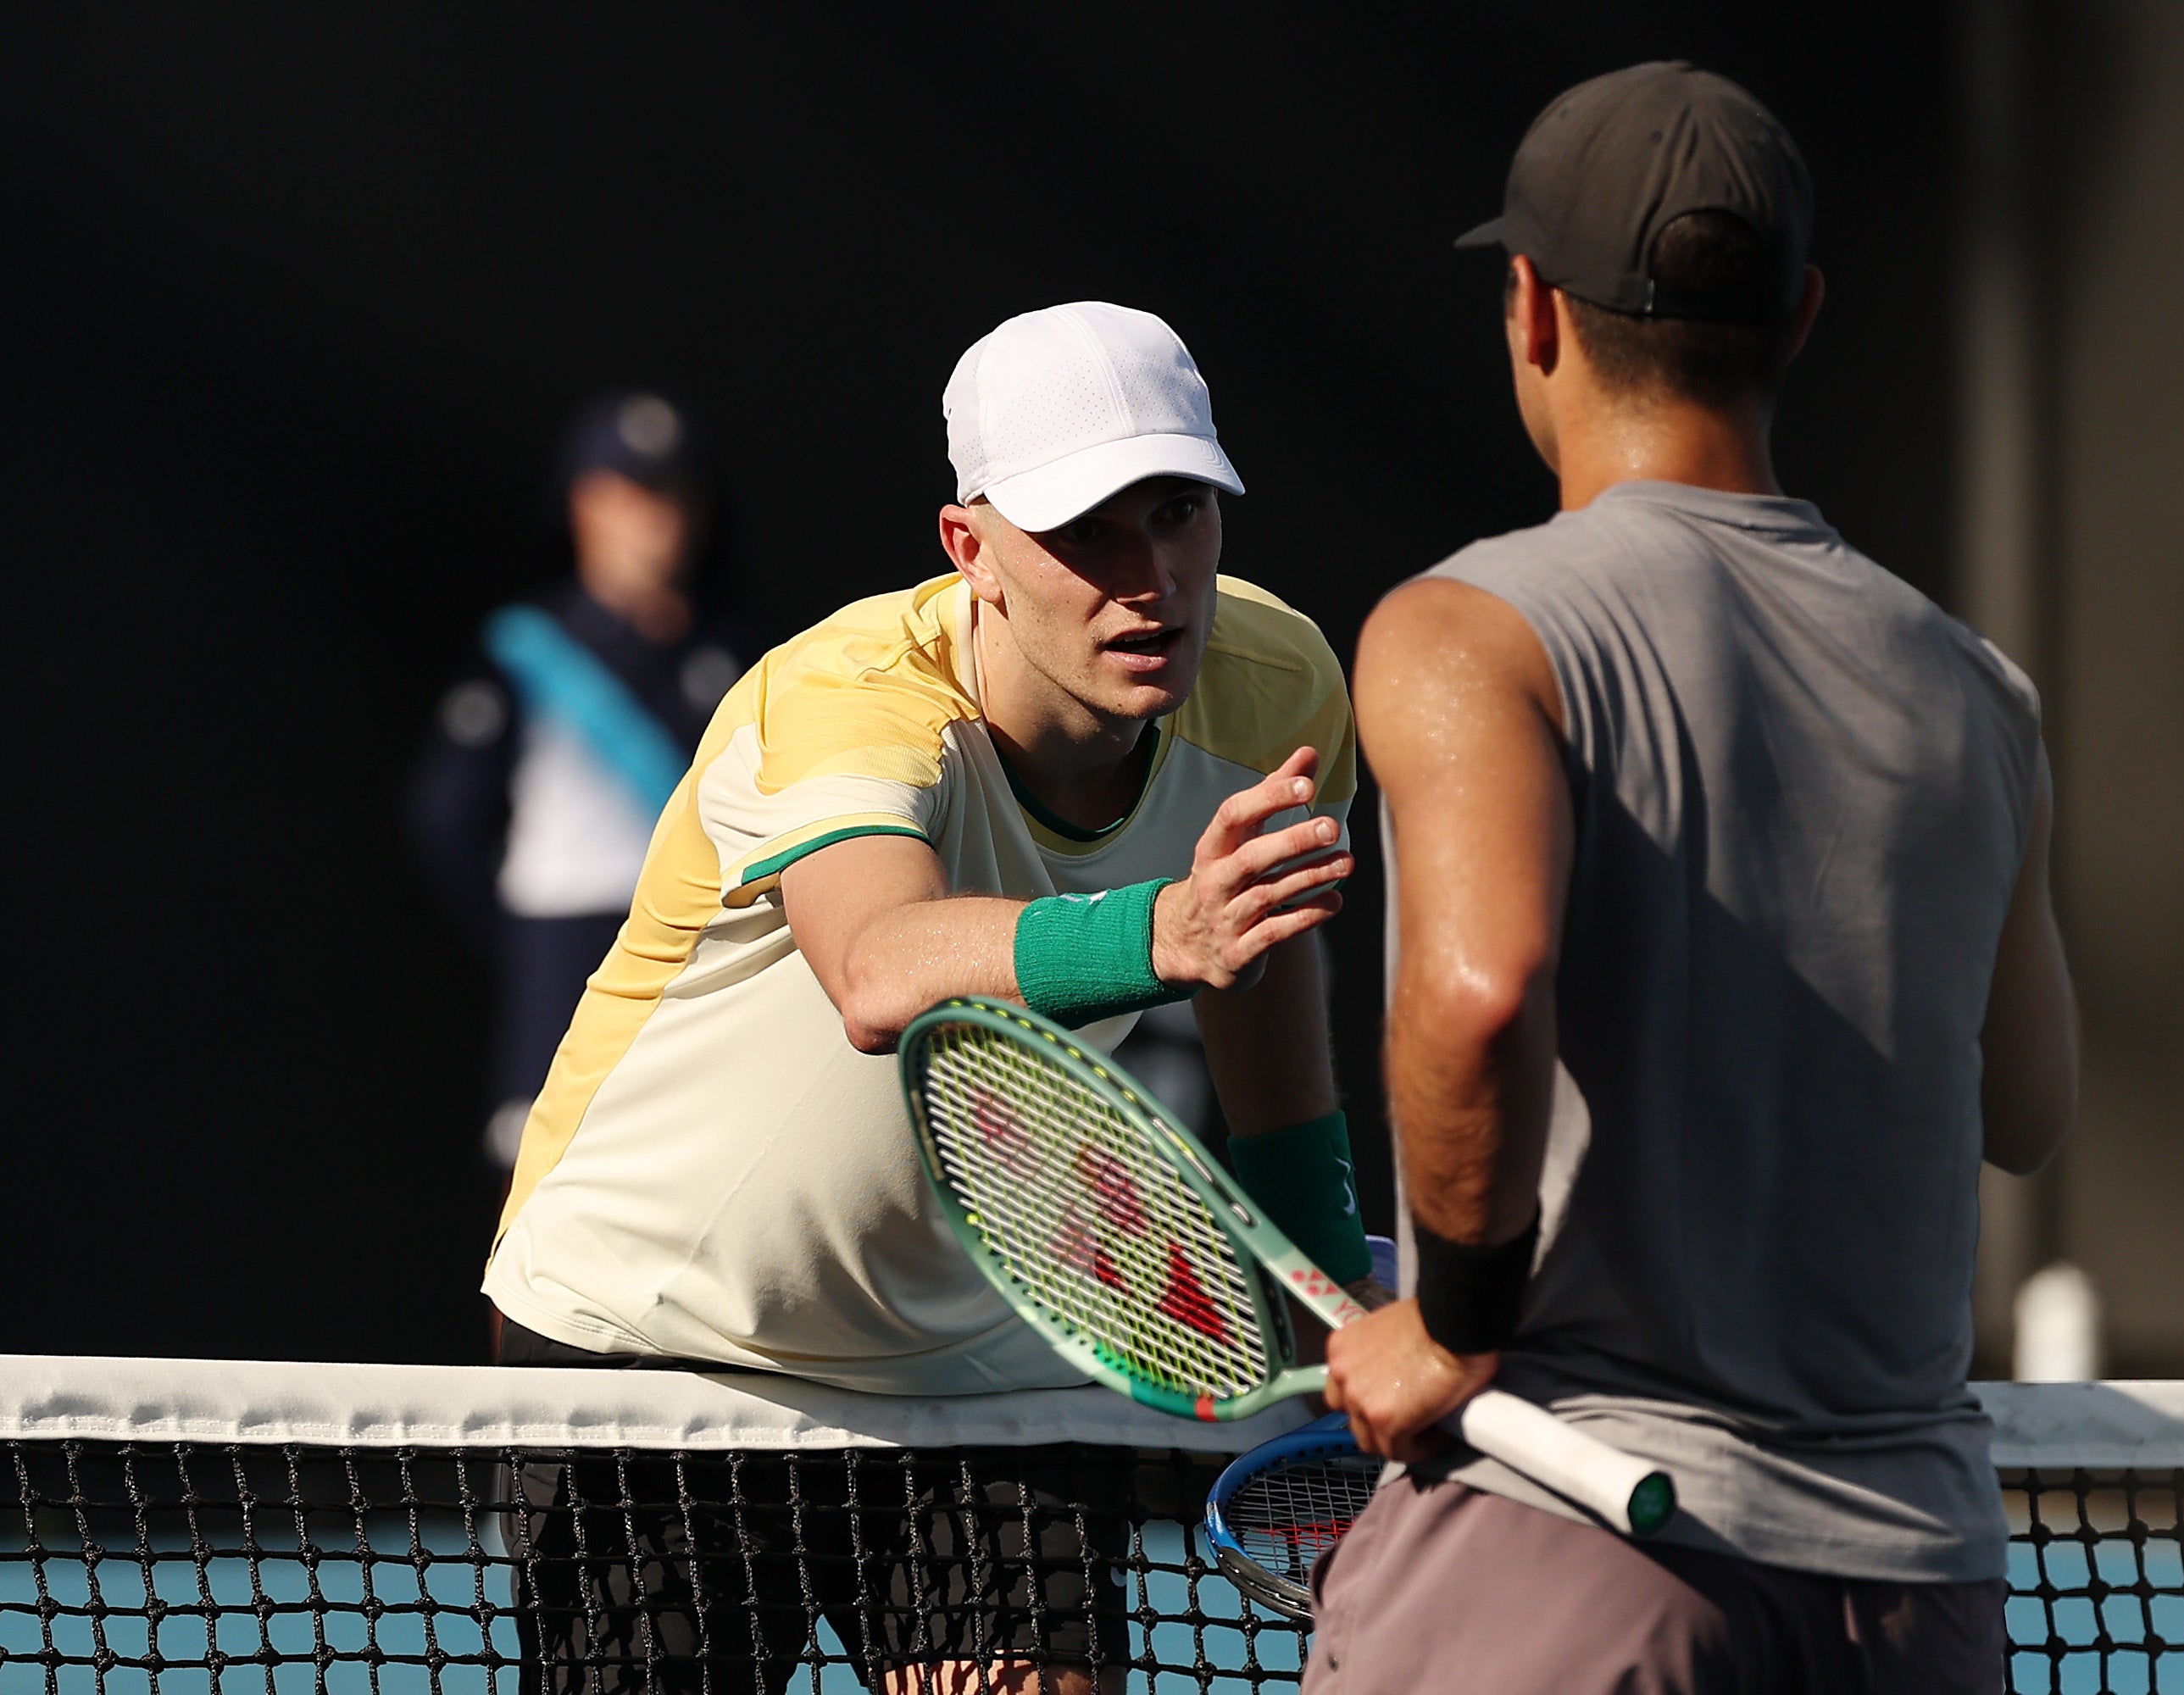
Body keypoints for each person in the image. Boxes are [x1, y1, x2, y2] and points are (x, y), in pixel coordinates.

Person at [1313, 64, 2078, 1693]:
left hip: (1571, 1561)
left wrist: (1449, 1329)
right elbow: (2026, 1108)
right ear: (1799, 316)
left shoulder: (1467, 632)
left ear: (1531, 309)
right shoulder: (1981, 694)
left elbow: (1479, 992)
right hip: (1914, 1608)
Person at [483, 303, 1377, 1693]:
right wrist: (1162, 924)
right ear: (973, 554)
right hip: (659, 1347)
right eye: (1087, 533)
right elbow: (880, 967)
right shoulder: (844, 697)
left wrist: (1328, 1326)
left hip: (977, 1368)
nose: (1151, 579)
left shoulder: (1278, 689)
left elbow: (1267, 1008)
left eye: (1180, 514)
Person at [408, 391, 750, 1180]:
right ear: (584, 504)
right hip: (561, 957)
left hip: (698, 962)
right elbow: (445, 819)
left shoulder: (734, 655)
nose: (658, 519)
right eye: (634, 494)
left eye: (676, 495)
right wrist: (525, 946)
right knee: (545, 1200)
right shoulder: (527, 648)